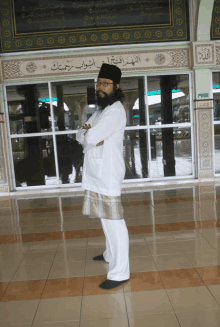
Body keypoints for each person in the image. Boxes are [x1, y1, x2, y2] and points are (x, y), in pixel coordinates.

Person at [76, 63, 130, 290]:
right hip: (97, 172)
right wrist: (88, 132)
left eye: (105, 84)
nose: (100, 87)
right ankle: (109, 254)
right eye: (98, 83)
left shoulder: (115, 110)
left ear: (116, 86)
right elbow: (81, 134)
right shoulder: (100, 110)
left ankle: (120, 273)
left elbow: (88, 137)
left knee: (113, 222)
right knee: (105, 219)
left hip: (107, 173)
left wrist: (89, 133)